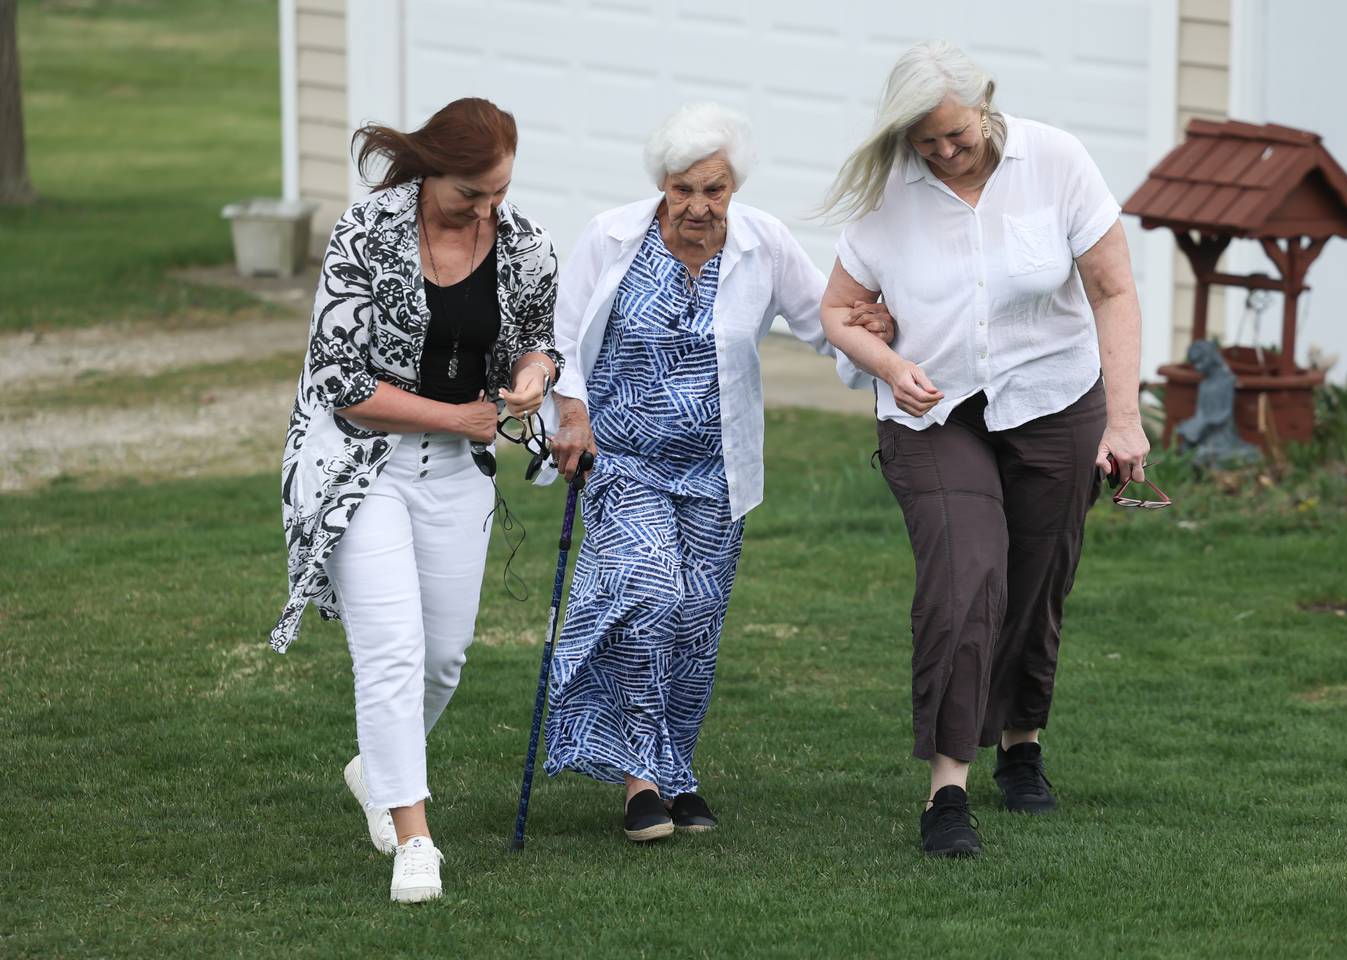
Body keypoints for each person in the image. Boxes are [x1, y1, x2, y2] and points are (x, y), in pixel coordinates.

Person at [818, 41, 1150, 858]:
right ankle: (947, 791)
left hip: (1053, 402)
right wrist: (891, 366)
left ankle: (1021, 745)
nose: (940, 151)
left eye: (954, 135)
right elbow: (838, 309)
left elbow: (1111, 288)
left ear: (987, 106)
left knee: (1038, 582)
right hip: (937, 418)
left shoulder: (1058, 161)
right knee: (965, 579)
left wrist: (1123, 418)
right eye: (924, 140)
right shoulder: (891, 189)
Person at [544, 102, 893, 842]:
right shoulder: (611, 238)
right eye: (682, 190)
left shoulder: (764, 244)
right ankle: (641, 780)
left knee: (696, 626)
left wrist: (869, 337)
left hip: (716, 473)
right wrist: (570, 414)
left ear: (734, 188)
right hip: (624, 460)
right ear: (662, 186)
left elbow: (821, 321)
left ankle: (679, 774)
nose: (698, 206)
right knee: (649, 594)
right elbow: (561, 340)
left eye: (715, 190)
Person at [269, 97, 561, 901]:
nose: (486, 208)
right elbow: (341, 383)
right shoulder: (368, 233)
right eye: (471, 193)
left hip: (455, 471)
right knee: (392, 650)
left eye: (497, 191)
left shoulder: (525, 244)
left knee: (443, 658)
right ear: (431, 172)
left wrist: (535, 377)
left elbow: (540, 336)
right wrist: (460, 414)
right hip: (361, 463)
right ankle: (414, 840)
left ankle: (376, 767)